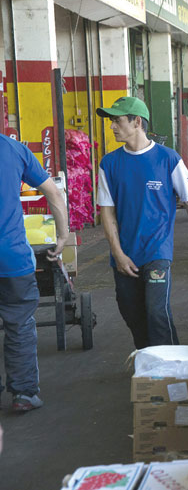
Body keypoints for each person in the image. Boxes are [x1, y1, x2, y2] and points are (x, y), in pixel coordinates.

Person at [96, 97, 188, 349]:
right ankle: (148, 360)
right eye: (111, 121)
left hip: (157, 250)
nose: (112, 127)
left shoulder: (168, 159)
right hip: (125, 252)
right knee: (131, 312)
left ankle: (171, 372)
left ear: (137, 122)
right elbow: (107, 213)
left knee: (156, 311)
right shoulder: (109, 164)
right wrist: (118, 254)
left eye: (117, 121)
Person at [0, 136, 68, 411]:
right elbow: (53, 192)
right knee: (19, 323)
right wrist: (62, 235)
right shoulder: (14, 149)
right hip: (12, 256)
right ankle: (24, 394)